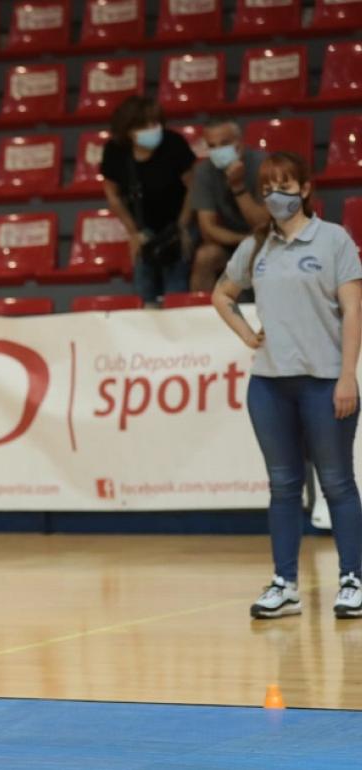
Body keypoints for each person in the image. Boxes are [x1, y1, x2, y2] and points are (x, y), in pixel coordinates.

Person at [211, 151, 362, 621]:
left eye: (285, 185)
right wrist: (247, 334)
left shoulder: (334, 240)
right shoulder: (257, 247)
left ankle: (353, 579)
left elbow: (354, 310)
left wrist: (346, 376)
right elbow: (221, 294)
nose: (276, 194)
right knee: (282, 486)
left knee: (337, 482)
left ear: (306, 188)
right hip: (270, 386)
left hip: (324, 382)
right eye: (268, 187)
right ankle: (285, 584)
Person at [100, 96, 198, 305]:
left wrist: (182, 227)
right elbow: (113, 194)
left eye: (155, 123)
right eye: (144, 125)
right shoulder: (115, 151)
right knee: (143, 283)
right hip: (143, 225)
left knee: (176, 281)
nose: (152, 129)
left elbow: (193, 188)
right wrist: (133, 232)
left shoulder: (174, 143)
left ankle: (177, 321)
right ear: (128, 130)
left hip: (177, 221)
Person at [190, 116, 270, 292]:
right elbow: (207, 229)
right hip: (233, 242)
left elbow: (262, 224)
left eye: (224, 143)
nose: (218, 150)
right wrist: (244, 240)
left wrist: (238, 187)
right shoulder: (204, 171)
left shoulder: (263, 165)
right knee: (205, 256)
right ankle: (203, 316)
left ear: (239, 143)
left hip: (269, 240)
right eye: (212, 146)